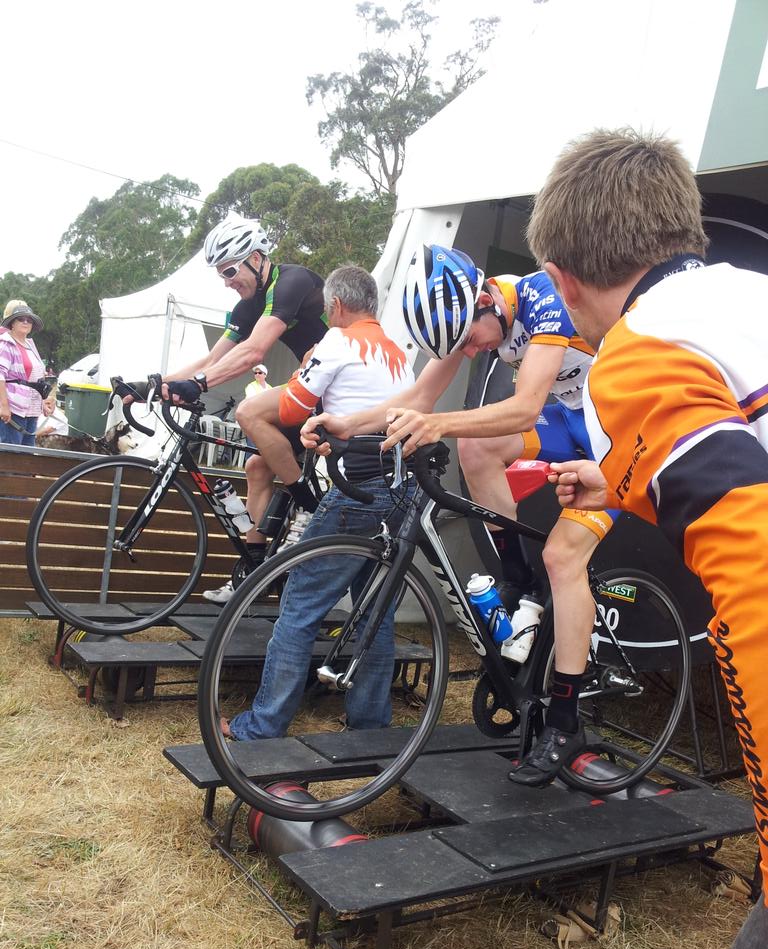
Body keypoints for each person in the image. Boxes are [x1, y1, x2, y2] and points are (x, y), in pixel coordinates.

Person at [524, 126, 768, 949]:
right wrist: (621, 481)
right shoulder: (746, 298)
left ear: (563, 281)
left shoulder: (636, 349)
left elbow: (758, 566)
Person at [303, 245, 619, 782]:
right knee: (478, 451)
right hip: (571, 420)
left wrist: (443, 425)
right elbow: (421, 395)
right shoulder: (464, 316)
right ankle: (520, 582)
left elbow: (524, 406)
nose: (470, 353)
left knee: (564, 557)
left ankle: (565, 722)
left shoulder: (543, 297)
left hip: (612, 431)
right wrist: (344, 422)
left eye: (472, 340)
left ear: (488, 300)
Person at [224, 264, 414, 739]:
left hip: (357, 491)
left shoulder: (336, 341)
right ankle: (370, 724)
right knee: (375, 611)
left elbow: (291, 409)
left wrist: (308, 373)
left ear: (336, 306)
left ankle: (263, 725)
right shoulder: (398, 354)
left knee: (300, 604)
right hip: (402, 490)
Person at [157, 216, 328, 603]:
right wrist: (157, 383)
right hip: (312, 384)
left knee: (249, 411)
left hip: (336, 383)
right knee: (256, 467)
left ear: (255, 258)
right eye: (221, 275)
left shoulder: (291, 281)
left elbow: (253, 351)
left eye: (230, 270)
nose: (227, 281)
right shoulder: (247, 305)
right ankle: (251, 573)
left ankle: (308, 509)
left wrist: (198, 385)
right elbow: (213, 357)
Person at [0, 300, 54, 446]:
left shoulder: (30, 344)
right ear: (12, 323)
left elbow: (36, 378)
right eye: (21, 319)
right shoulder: (5, 343)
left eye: (29, 320)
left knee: (27, 455)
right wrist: (3, 406)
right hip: (13, 408)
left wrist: (43, 402)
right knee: (12, 454)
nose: (25, 322)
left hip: (31, 409)